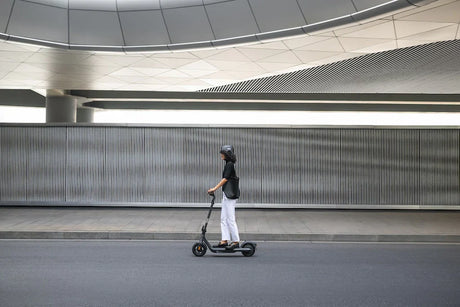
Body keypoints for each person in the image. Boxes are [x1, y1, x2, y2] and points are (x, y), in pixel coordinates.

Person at [207, 145, 240, 250]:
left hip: (230, 195)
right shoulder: (228, 164)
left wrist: (214, 188)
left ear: (227, 154)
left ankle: (235, 241)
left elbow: (225, 179)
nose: (221, 155)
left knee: (230, 218)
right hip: (227, 194)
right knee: (223, 218)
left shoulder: (230, 165)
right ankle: (224, 240)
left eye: (223, 153)